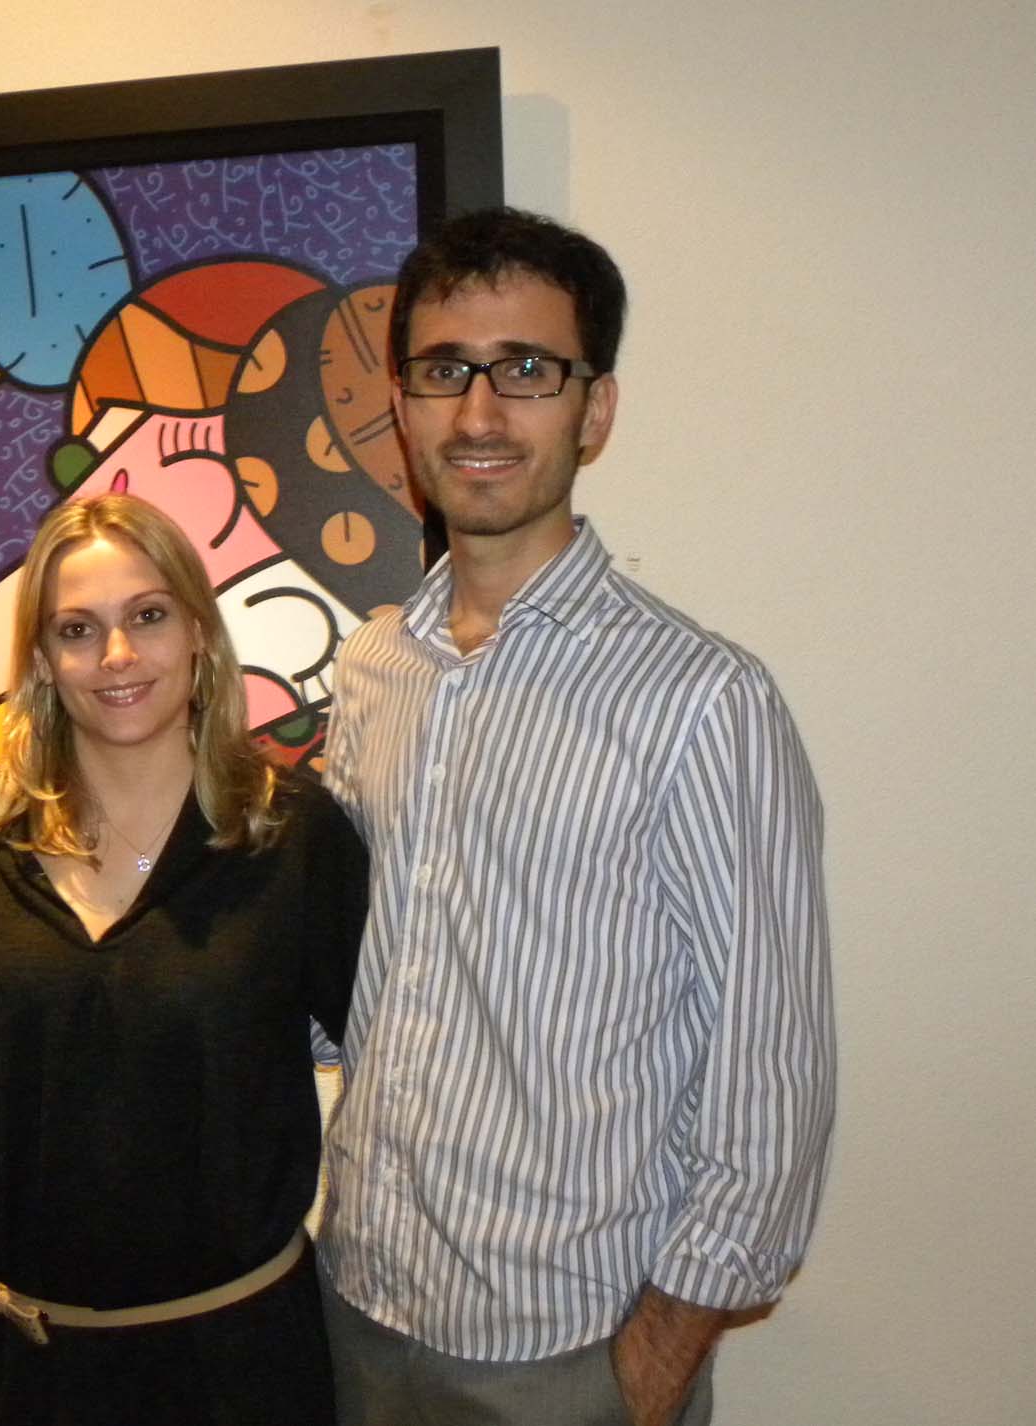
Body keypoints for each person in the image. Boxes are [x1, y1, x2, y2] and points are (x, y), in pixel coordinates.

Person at [317, 206, 836, 1426]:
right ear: (401, 406)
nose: (479, 414)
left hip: (570, 1353)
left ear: (594, 410)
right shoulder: (373, 670)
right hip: (356, 1310)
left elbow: (773, 1077)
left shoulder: (702, 701)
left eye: (527, 371)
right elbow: (343, 983)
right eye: (444, 370)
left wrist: (648, 1368)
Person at [0, 492, 369, 1426]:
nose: (115, 655)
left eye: (147, 616)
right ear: (40, 659)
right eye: (77, 629)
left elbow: (390, 1077)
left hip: (239, 1365)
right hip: (22, 1366)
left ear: (198, 631)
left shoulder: (292, 836)